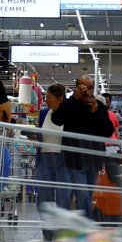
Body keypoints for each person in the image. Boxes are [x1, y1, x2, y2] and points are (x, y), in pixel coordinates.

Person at [49, 74, 113, 215]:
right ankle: (84, 228)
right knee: (82, 197)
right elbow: (57, 119)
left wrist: (96, 112)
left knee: (87, 196)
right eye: (83, 87)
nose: (87, 91)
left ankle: (82, 227)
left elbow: (108, 131)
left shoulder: (98, 106)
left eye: (90, 88)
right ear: (77, 88)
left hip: (93, 159)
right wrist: (74, 98)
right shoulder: (71, 104)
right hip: (74, 159)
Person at [33, 83, 71, 214]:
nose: (46, 100)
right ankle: (48, 232)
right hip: (44, 160)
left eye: (49, 97)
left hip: (64, 160)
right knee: (44, 198)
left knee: (63, 198)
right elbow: (40, 134)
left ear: (60, 99)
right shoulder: (43, 114)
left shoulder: (70, 115)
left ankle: (62, 231)